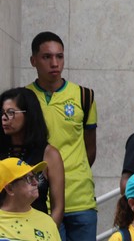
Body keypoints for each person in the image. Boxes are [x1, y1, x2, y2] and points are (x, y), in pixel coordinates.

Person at [25, 31, 98, 241]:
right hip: (41, 201)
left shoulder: (84, 96)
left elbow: (90, 149)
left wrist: (74, 172)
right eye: (47, 57)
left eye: (59, 56)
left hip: (80, 199)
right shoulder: (24, 98)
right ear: (33, 61)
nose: (55, 63)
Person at [0, 88, 65, 225]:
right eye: (2, 113)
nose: (4, 118)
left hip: (37, 229)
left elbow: (58, 207)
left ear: (29, 114)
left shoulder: (49, 154)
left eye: (11, 112)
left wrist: (48, 232)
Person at [0, 158, 60, 241]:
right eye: (29, 178)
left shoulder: (47, 221)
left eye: (35, 176)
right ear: (9, 189)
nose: (36, 182)